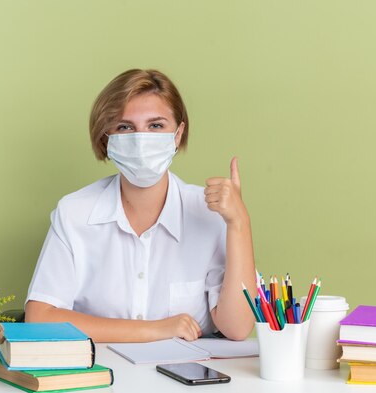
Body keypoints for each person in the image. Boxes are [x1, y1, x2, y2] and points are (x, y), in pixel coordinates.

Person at [25, 69, 257, 342]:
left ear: (178, 134)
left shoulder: (210, 213)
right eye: (125, 127)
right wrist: (156, 329)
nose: (140, 139)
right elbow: (40, 317)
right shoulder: (74, 213)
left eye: (156, 126)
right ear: (106, 138)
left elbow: (238, 328)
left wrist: (239, 223)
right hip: (102, 377)